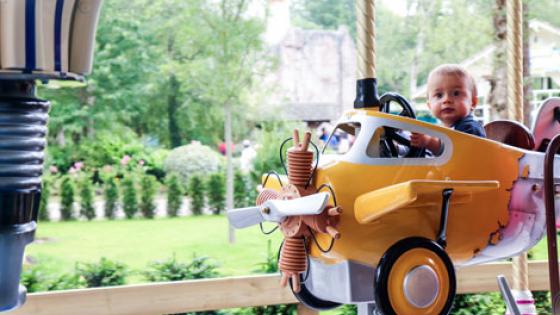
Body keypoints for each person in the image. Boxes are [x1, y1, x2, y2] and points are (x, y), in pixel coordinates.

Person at [410, 64, 486, 154]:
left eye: (456, 93)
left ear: (472, 102)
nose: (447, 100)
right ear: (429, 105)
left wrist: (430, 142)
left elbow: (459, 156)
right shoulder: (440, 132)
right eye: (439, 95)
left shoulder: (470, 129)